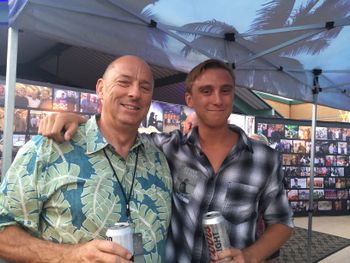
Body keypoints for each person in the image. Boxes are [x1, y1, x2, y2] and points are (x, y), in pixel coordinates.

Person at [38, 59, 293, 262]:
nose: (217, 99)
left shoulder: (265, 159)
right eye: (206, 91)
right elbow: (118, 132)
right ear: (190, 100)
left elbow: (282, 221)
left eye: (225, 91)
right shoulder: (165, 149)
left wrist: (250, 256)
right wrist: (78, 121)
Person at [0, 55, 172, 263]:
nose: (135, 93)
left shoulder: (158, 160)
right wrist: (71, 255)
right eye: (124, 82)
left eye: (145, 87)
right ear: (100, 88)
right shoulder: (48, 149)